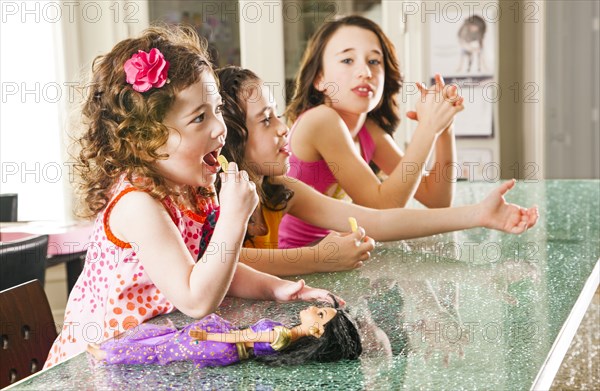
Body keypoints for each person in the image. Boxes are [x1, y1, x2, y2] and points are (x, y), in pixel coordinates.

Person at [44, 26, 336, 369]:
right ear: (146, 140)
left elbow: (211, 269)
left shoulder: (189, 189)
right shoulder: (138, 204)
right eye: (199, 118)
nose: (219, 128)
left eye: (217, 109)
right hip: (94, 366)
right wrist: (233, 218)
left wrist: (276, 289)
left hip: (149, 352)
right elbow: (196, 298)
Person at [215, 66, 539, 275]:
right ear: (231, 138)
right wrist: (318, 258)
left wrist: (479, 214)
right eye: (266, 120)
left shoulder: (278, 189)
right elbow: (227, 261)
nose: (284, 128)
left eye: (374, 61)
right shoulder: (210, 201)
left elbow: (380, 220)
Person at [279, 15, 465, 249]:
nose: (365, 71)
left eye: (375, 62)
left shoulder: (367, 130)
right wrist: (427, 128)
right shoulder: (321, 120)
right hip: (296, 266)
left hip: (335, 259)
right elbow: (384, 209)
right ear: (319, 78)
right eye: (347, 60)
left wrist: (444, 126)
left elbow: (436, 199)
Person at [86, 296, 361, 367]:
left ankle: (111, 355)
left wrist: (207, 336)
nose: (315, 308)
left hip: (222, 344)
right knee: (168, 340)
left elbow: (241, 337)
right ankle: (114, 349)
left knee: (164, 350)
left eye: (321, 314)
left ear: (315, 331)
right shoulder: (286, 334)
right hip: (225, 341)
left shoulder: (281, 336)